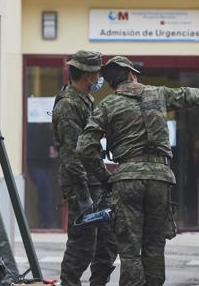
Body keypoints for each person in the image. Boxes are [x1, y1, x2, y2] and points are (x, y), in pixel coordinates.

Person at [78, 56, 199, 286]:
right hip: (160, 178)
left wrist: (105, 177)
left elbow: (84, 147)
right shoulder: (158, 94)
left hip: (128, 179)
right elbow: (189, 95)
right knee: (154, 246)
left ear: (113, 83)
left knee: (130, 250)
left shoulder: (108, 106)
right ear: (131, 74)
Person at [51, 50, 117, 286]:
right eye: (97, 72)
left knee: (107, 245)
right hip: (83, 186)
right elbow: (72, 155)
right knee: (82, 246)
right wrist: (83, 196)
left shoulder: (85, 100)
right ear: (88, 75)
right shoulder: (68, 105)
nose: (99, 77)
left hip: (96, 182)